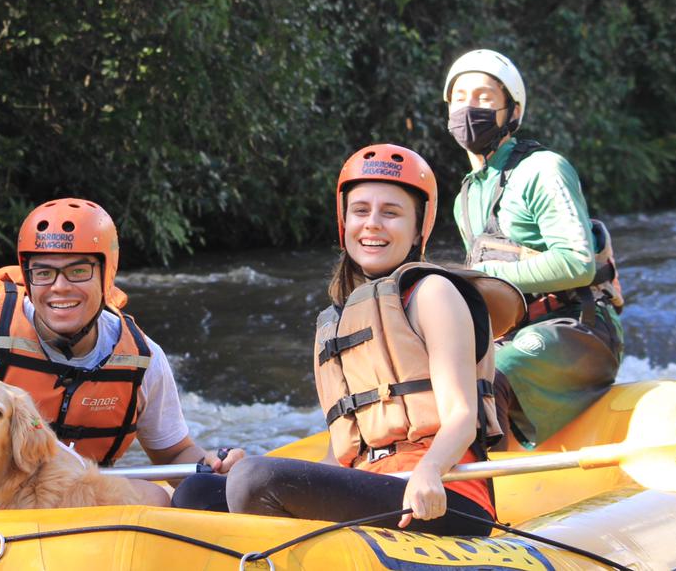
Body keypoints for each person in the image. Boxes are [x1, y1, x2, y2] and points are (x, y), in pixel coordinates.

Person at [173, 145, 524, 536]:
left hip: (440, 494)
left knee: (255, 479)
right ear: (345, 223)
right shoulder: (335, 322)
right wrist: (245, 467)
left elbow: (461, 416)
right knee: (198, 491)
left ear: (417, 228)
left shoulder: (434, 293)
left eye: (390, 213)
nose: (372, 224)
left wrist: (428, 470)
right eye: (360, 211)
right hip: (369, 488)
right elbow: (338, 453)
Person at [0, 197, 244, 528]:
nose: (59, 287)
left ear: (105, 275)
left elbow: (174, 455)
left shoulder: (143, 358)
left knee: (154, 496)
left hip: (73, 497)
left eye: (77, 270)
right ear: (28, 275)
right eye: (44, 272)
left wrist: (209, 465)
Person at [444, 49, 625, 449]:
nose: (468, 108)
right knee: (443, 379)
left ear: (513, 110)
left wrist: (480, 277)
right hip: (517, 331)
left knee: (484, 382)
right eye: (459, 97)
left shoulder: (543, 169)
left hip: (579, 326)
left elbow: (577, 263)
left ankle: (494, 495)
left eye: (484, 97)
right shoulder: (464, 198)